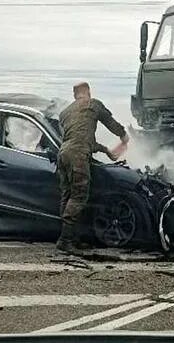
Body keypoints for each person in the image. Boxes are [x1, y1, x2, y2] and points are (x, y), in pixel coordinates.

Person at [57, 82, 129, 253]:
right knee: (78, 197)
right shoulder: (93, 104)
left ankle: (72, 238)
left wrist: (106, 151)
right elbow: (110, 123)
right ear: (88, 92)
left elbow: (82, 139)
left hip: (63, 155)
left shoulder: (64, 113)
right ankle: (65, 241)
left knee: (67, 195)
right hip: (77, 156)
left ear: (75, 95)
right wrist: (124, 136)